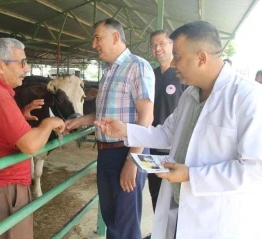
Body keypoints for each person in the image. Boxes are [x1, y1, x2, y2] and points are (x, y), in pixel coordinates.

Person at [94, 21, 262, 239]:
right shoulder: (190, 95)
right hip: (178, 210)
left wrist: (192, 175)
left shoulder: (248, 97)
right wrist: (126, 130)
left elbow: (255, 169)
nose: (173, 64)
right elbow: (165, 134)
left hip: (215, 221)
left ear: (201, 58)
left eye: (178, 57)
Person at [0, 38, 65, 239]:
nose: (26, 68)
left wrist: (18, 115)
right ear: (1, 66)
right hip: (6, 189)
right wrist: (49, 123)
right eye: (22, 62)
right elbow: (31, 145)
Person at [64, 18, 155, 239]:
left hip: (126, 151)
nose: (93, 45)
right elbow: (103, 115)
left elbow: (147, 117)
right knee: (111, 217)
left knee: (125, 222)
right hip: (106, 153)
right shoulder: (108, 72)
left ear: (115, 37)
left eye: (97, 38)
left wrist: (132, 162)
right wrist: (78, 121)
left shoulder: (137, 66)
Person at [148, 30, 186, 215]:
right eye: (154, 45)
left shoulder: (182, 75)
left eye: (162, 43)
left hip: (177, 147)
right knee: (155, 192)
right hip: (152, 147)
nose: (158, 48)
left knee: (177, 198)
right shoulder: (149, 75)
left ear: (172, 45)